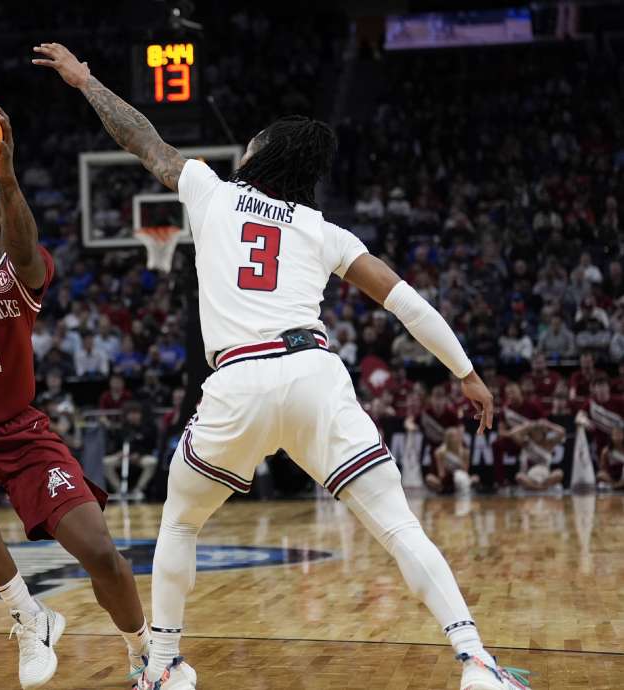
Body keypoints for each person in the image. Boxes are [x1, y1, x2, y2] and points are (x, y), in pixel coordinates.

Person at [35, 42, 527, 690]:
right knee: (397, 524)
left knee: (180, 521)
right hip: (312, 374)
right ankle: (476, 663)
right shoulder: (323, 229)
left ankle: (161, 669)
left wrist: (86, 82)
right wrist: (464, 371)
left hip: (237, 381)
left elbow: (143, 138)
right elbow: (404, 298)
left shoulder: (210, 191)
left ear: (259, 156)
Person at [0, 105, 158, 689]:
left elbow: (23, 251)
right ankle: (27, 613)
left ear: (3, 214)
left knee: (100, 554)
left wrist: (8, 177)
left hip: (25, 432)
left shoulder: (26, 268)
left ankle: (147, 655)